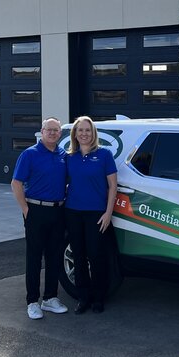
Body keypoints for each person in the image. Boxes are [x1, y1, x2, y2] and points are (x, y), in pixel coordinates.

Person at [11, 117, 69, 320]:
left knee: (54, 257)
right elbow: (16, 183)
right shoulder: (30, 154)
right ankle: (32, 301)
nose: (52, 133)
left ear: (60, 134)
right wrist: (25, 209)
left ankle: (50, 298)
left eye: (56, 130)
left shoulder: (63, 154)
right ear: (41, 131)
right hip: (36, 210)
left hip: (58, 211)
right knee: (34, 258)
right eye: (49, 129)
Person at [64, 116, 118, 314]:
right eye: (80, 130)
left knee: (96, 255)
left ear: (93, 133)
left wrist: (108, 213)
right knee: (78, 256)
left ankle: (98, 297)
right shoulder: (69, 157)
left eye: (87, 130)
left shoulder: (104, 155)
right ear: (75, 134)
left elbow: (113, 185)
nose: (84, 134)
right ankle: (82, 297)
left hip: (96, 213)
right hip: (73, 212)